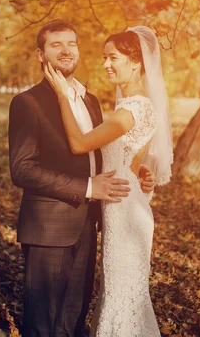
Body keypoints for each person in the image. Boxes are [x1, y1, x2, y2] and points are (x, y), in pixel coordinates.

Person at [8, 19, 156, 337]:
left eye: (71, 43)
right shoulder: (27, 103)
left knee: (73, 321)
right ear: (40, 54)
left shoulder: (91, 101)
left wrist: (136, 174)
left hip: (89, 226)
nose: (66, 50)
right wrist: (89, 187)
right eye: (56, 44)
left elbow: (102, 154)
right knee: (43, 324)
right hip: (49, 228)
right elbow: (22, 169)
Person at [44, 26, 173, 336]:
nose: (105, 64)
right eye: (104, 57)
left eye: (113, 57)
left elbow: (79, 144)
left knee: (120, 293)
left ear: (136, 62)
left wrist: (62, 96)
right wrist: (143, 176)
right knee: (123, 293)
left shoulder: (129, 111)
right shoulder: (137, 106)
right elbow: (132, 162)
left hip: (124, 214)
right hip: (127, 203)